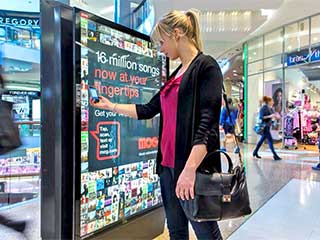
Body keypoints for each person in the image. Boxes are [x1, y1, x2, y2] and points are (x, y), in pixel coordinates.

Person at [90, 9, 223, 240]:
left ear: (177, 34)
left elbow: (207, 125)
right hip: (167, 169)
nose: (161, 48)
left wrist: (189, 170)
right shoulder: (174, 75)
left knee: (206, 234)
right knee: (176, 230)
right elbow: (148, 110)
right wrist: (110, 106)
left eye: (162, 42)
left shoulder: (206, 67)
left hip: (192, 170)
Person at [253, 96, 282, 161]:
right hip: (264, 126)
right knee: (270, 141)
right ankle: (275, 155)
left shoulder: (270, 108)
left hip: (268, 126)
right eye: (272, 101)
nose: (273, 102)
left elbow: (273, 116)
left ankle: (255, 151)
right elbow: (261, 117)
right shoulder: (263, 108)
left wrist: (276, 117)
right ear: (268, 101)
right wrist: (270, 116)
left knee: (262, 140)